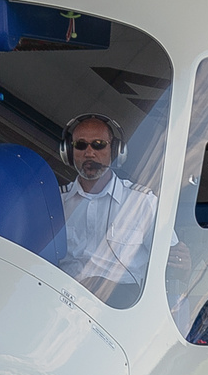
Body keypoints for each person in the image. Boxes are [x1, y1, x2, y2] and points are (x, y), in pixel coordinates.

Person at [58, 113, 157, 307]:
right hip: (63, 305)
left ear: (116, 151)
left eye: (98, 144)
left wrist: (181, 260)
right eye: (80, 145)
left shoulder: (142, 202)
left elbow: (175, 262)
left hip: (122, 308)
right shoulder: (55, 202)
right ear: (68, 152)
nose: (89, 152)